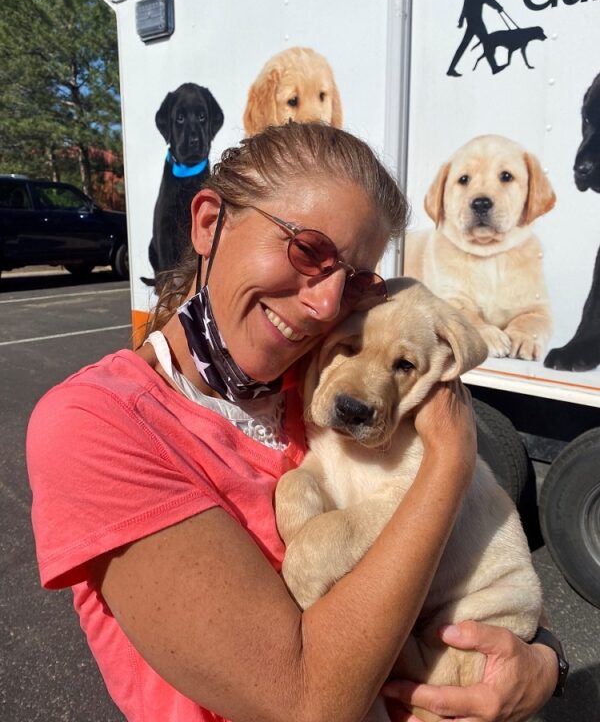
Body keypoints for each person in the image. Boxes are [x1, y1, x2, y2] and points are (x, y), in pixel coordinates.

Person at [27, 122, 560, 722]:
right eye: (307, 250)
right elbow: (308, 704)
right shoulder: (96, 426)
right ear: (208, 222)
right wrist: (452, 458)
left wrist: (544, 662)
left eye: (356, 280)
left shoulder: (315, 377)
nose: (327, 305)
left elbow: (481, 563)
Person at [447, 0, 505, 77]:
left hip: (472, 20)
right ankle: (494, 67)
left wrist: (462, 19)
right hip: (476, 21)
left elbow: (467, 3)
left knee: (465, 45)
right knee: (487, 42)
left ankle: (451, 69)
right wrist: (497, 6)